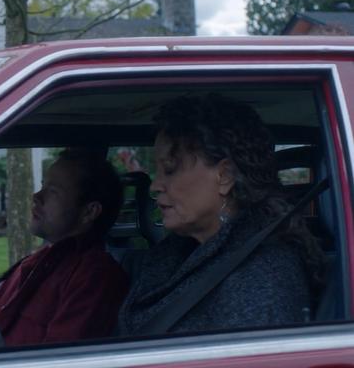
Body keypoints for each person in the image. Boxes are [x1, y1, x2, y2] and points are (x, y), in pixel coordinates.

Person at [117, 94, 324, 335]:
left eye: (170, 169)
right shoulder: (181, 251)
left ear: (224, 176)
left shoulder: (264, 280)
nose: (155, 186)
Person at [0, 148, 129, 346]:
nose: (36, 197)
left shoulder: (94, 277)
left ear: (89, 212)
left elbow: (60, 359)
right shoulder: (40, 261)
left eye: (53, 191)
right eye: (42, 186)